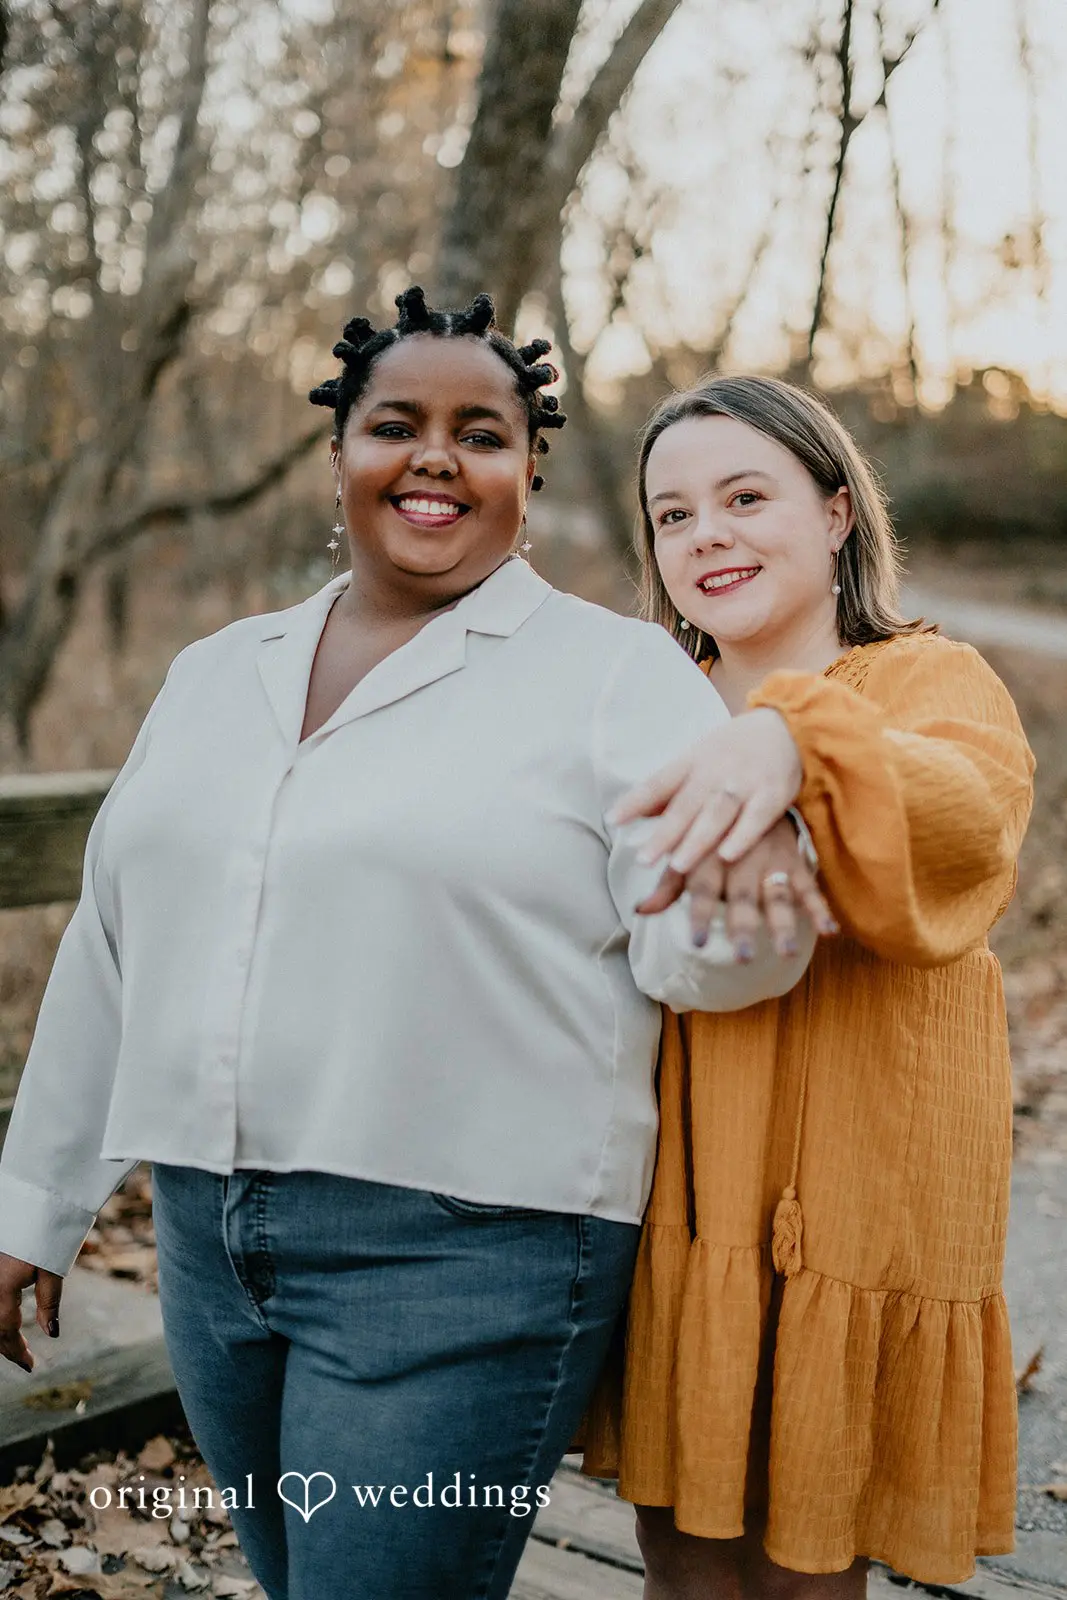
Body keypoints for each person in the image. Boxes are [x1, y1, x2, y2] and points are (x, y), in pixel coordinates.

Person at [0, 293, 829, 1600]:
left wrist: (746, 914)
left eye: (481, 433)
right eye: (397, 424)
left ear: (526, 471)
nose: (436, 456)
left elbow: (698, 952)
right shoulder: (219, 671)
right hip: (208, 1243)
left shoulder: (611, 677)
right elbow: (115, 947)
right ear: (339, 457)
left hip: (466, 1250)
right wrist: (32, 1205)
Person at [580, 375, 1035, 1599]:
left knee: (802, 1559)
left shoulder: (926, 682)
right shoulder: (640, 708)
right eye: (671, 516)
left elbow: (971, 817)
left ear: (835, 513)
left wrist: (797, 738)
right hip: (686, 1189)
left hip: (853, 1188)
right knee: (681, 1551)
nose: (705, 534)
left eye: (743, 496)